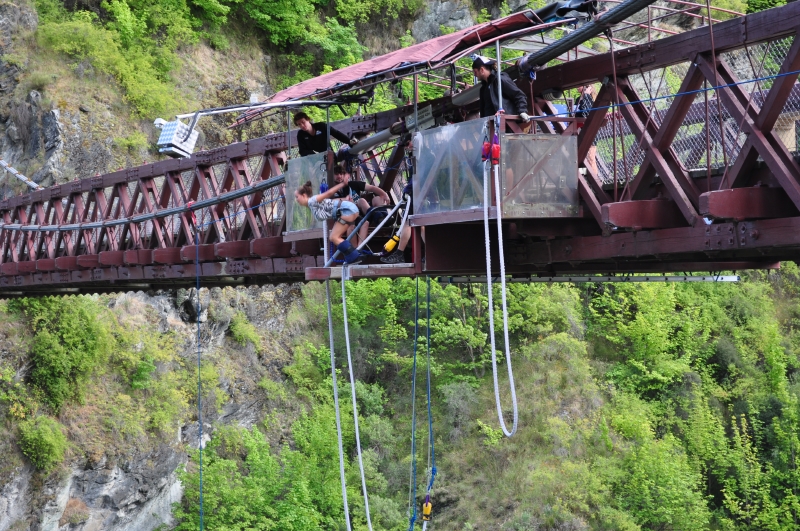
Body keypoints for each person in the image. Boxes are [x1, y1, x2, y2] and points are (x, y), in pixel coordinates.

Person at [294, 180, 363, 264]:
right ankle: (352, 256)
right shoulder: (312, 205)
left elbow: (328, 193)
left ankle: (354, 257)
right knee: (334, 237)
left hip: (347, 211)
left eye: (297, 197)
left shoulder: (312, 200)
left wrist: (342, 184)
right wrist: (345, 199)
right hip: (345, 212)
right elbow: (331, 201)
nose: (296, 200)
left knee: (334, 237)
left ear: (304, 195)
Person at [332, 164, 390, 245]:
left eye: (341, 174)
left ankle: (382, 218)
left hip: (364, 213)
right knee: (356, 221)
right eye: (336, 174)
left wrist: (384, 194)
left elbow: (372, 188)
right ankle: (358, 249)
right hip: (350, 215)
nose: (339, 176)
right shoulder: (332, 190)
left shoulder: (353, 184)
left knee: (377, 199)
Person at [472, 56, 531, 121]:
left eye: (475, 72)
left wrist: (522, 111)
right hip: (491, 124)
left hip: (505, 123)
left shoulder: (500, 79)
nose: (474, 74)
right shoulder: (483, 88)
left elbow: (519, 95)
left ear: (482, 70)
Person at [575, 85, 598, 175]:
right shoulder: (578, 99)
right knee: (580, 159)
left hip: (590, 132)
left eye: (579, 85)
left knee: (590, 157)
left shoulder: (590, 99)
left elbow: (586, 113)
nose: (576, 87)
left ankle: (594, 179)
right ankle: (584, 176)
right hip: (580, 132)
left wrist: (586, 95)